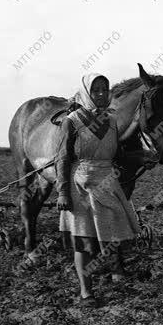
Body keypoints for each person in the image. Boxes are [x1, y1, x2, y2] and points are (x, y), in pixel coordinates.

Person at [56, 73, 140, 306]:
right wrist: (62, 191)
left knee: (110, 236)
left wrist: (143, 157)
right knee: (84, 242)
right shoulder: (72, 121)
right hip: (80, 185)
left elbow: (118, 156)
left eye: (105, 89)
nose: (102, 94)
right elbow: (62, 159)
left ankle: (114, 272)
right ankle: (86, 293)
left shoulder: (112, 121)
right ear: (86, 93)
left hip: (107, 183)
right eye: (96, 90)